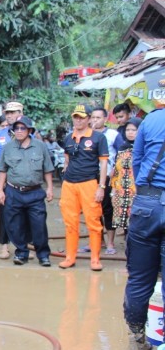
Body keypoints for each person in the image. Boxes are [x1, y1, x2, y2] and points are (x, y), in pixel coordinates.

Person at [123, 105, 164, 350]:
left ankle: (137, 340)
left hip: (146, 205)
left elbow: (136, 161)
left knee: (139, 277)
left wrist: (146, 196)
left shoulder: (151, 119)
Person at [0, 116, 54, 266]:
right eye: (16, 128)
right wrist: (0, 191)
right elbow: (3, 169)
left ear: (29, 130)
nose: (19, 131)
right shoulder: (8, 147)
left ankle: (43, 255)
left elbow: (47, 169)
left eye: (23, 128)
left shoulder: (40, 146)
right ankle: (21, 253)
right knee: (15, 225)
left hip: (34, 192)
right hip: (13, 192)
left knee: (39, 224)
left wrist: (50, 188)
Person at [58, 104, 108, 271]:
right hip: (69, 185)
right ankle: (70, 258)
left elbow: (103, 163)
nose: (78, 120)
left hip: (89, 184)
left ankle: (95, 259)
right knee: (70, 223)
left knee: (93, 222)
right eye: (76, 117)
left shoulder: (98, 138)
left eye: (82, 117)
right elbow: (67, 160)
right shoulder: (68, 138)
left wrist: (101, 187)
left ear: (88, 119)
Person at [0, 103, 24, 259]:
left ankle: (23, 245)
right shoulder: (0, 135)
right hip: (4, 181)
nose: (9, 115)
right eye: (7, 113)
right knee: (4, 214)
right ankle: (4, 246)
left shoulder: (29, 132)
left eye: (12, 112)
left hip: (24, 180)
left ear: (20, 113)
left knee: (24, 213)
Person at [88, 107, 119, 255]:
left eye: (98, 117)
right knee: (92, 210)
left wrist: (114, 175)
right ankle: (96, 241)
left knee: (107, 209)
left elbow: (122, 154)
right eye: (93, 117)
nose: (95, 120)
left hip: (106, 176)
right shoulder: (86, 134)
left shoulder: (113, 135)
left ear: (105, 119)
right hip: (88, 177)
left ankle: (110, 243)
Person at [111, 118, 141, 232]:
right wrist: (113, 191)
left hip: (136, 191)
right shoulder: (122, 148)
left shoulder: (143, 149)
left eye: (134, 130)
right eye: (128, 129)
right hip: (121, 191)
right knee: (124, 223)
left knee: (136, 221)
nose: (130, 132)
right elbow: (116, 171)